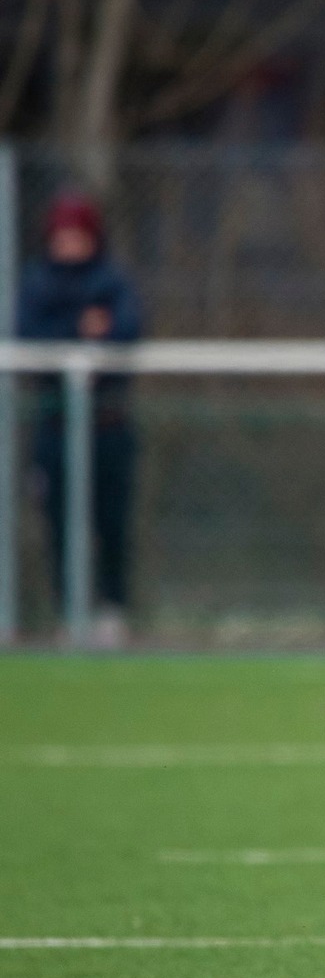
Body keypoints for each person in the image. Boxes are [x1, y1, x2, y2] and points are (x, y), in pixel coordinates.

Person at [16, 191, 144, 648]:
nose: (70, 244)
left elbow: (126, 330)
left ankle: (112, 610)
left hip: (107, 424)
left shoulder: (112, 280)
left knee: (112, 523)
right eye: (63, 235)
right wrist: (79, 329)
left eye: (78, 235)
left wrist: (97, 335)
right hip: (56, 425)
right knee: (58, 522)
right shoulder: (38, 283)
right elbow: (28, 337)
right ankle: (68, 611)